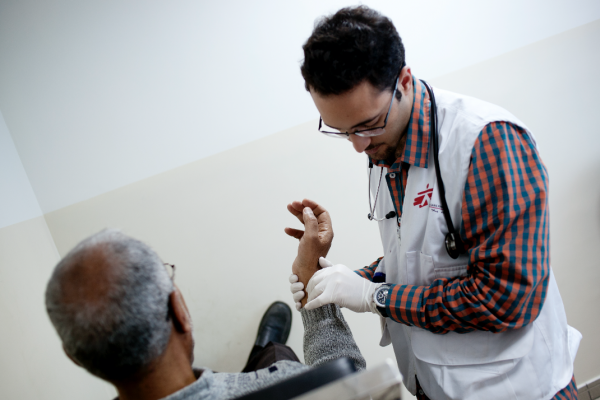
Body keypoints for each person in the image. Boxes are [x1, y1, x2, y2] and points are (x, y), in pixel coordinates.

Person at [286, 5, 581, 400]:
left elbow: (509, 300)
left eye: (366, 125)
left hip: (515, 387)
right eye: (342, 132)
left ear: (403, 81)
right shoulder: (384, 144)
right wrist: (350, 277)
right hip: (437, 384)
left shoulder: (487, 143)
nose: (358, 146)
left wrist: (375, 296)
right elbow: (429, 251)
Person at [45, 228, 364, 400]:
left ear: (75, 356)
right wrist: (313, 286)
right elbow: (352, 383)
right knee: (280, 357)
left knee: (273, 354)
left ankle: (262, 351)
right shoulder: (288, 387)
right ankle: (265, 352)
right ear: (179, 311)